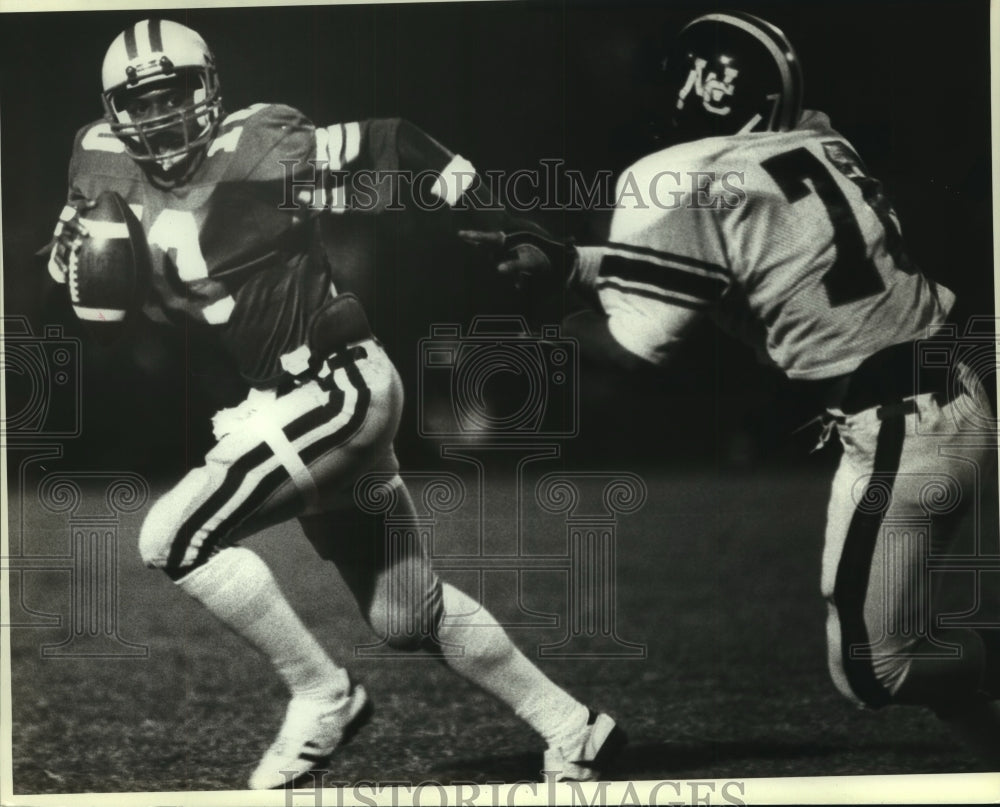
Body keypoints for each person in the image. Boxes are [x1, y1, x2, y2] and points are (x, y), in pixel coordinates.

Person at [45, 18, 625, 789]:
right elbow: (79, 263)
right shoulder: (100, 161)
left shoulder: (262, 150)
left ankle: (324, 693)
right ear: (114, 112)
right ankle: (574, 728)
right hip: (284, 400)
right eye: (139, 102)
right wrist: (71, 261)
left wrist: (508, 225)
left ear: (210, 88)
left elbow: (397, 143)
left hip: (336, 383)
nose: (160, 117)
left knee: (173, 537)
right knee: (405, 616)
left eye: (175, 94)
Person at [462, 11, 999, 762]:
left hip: (904, 422)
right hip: (949, 385)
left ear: (698, 88)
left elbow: (640, 346)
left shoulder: (681, 173)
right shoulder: (815, 138)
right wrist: (572, 264)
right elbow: (722, 262)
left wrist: (540, 335)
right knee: (899, 654)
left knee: (877, 669)